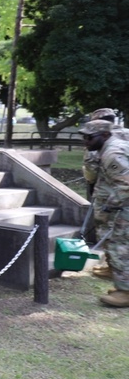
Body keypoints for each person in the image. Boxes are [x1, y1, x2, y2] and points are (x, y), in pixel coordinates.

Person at [79, 119, 129, 307]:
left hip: (125, 204)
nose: (86, 141)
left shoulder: (112, 153)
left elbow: (126, 184)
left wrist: (111, 205)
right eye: (84, 137)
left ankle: (125, 292)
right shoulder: (114, 146)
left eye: (90, 137)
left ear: (105, 135)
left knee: (120, 245)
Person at [83, 108, 123, 279]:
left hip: (109, 193)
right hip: (122, 191)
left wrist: (91, 184)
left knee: (107, 230)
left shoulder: (99, 139)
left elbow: (91, 170)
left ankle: (112, 267)